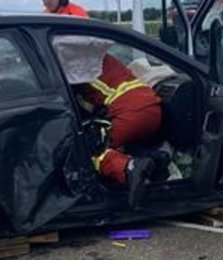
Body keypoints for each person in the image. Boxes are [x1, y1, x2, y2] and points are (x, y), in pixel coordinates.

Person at [55, 38, 160, 206]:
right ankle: (156, 162)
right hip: (152, 108)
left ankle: (129, 167)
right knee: (107, 140)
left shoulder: (74, 68)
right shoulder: (98, 58)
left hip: (129, 113)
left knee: (84, 150)